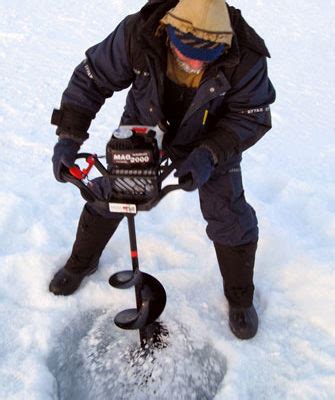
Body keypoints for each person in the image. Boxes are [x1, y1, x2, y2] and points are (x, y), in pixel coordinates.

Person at [50, 0, 276, 340]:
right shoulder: (139, 33)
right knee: (112, 193)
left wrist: (209, 154)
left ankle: (240, 298)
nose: (197, 62)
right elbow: (91, 79)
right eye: (188, 53)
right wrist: (69, 135)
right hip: (146, 124)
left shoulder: (246, 57)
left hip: (210, 138)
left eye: (208, 54)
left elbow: (250, 116)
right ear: (168, 30)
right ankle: (81, 262)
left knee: (227, 212)